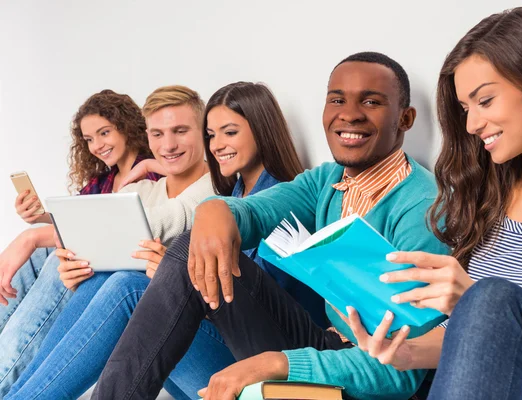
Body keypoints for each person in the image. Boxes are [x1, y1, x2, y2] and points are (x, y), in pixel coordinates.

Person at [92, 52, 449, 400]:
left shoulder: (422, 208)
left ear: (405, 118)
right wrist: (215, 210)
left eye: (371, 102)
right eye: (337, 100)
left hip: (369, 379)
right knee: (190, 246)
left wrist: (279, 363)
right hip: (325, 345)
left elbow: (398, 374)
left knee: (141, 282)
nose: (349, 115)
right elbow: (255, 211)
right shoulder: (329, 181)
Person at [6, 82, 327, 400]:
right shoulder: (231, 193)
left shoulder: (281, 202)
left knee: (129, 287)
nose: (217, 145)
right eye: (211, 135)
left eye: (229, 132)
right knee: (106, 276)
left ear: (260, 130)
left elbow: (260, 306)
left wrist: (178, 277)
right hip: (216, 352)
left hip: (258, 365)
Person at [346, 7, 522, 399]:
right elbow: (471, 348)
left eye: (485, 100)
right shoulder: (491, 199)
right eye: (465, 108)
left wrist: (477, 303)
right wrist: (403, 352)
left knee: (492, 298)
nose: (471, 125)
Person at [0, 90, 160, 395]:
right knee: (40, 255)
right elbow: (78, 223)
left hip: (127, 275)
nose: (97, 145)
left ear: (126, 126)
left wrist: (32, 236)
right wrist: (39, 217)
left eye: (104, 133)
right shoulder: (105, 179)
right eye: (89, 139)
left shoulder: (152, 171)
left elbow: (111, 233)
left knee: (54, 257)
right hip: (101, 261)